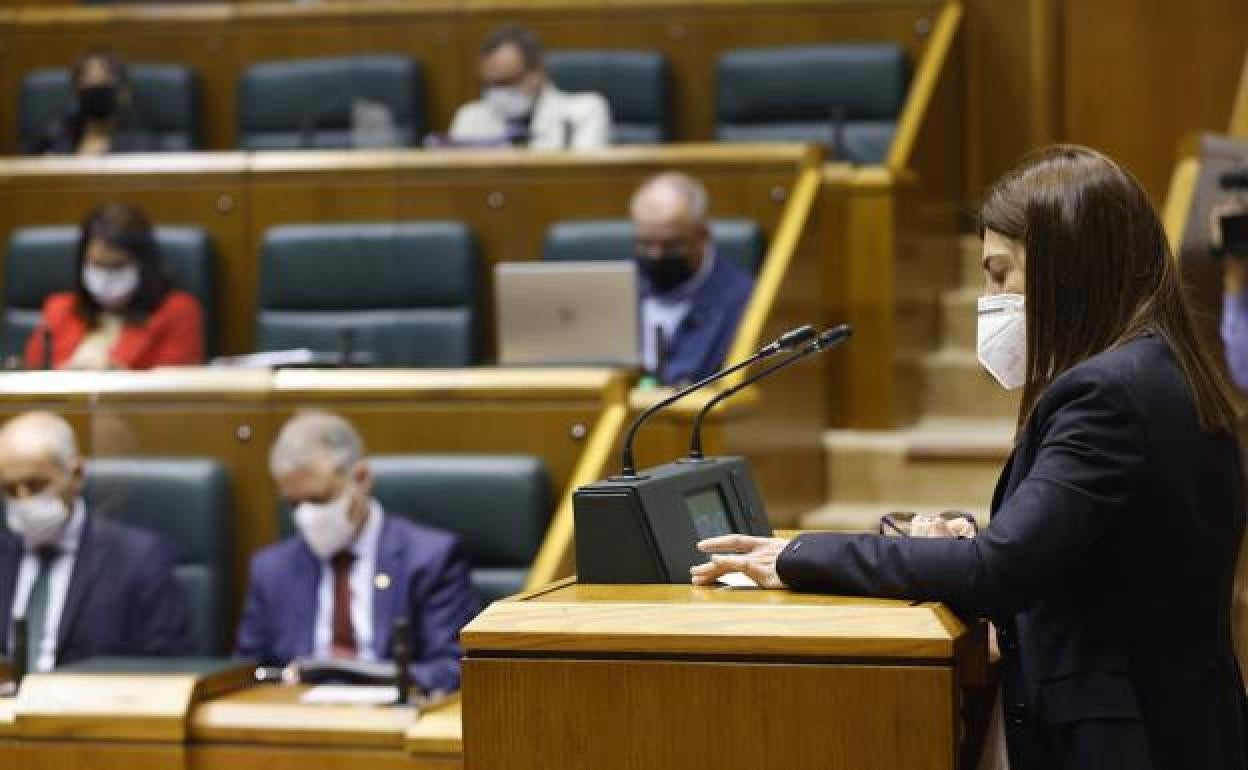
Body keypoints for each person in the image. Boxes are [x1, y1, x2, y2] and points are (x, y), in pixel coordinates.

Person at [692, 146, 1248, 770]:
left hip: (1126, 743)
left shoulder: (1107, 393)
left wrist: (798, 555)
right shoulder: (1158, 367)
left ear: (1068, 269)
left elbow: (999, 571)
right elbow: (1091, 554)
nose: (990, 298)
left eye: (1001, 273)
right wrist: (967, 539)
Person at [235, 412, 479, 692]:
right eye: (294, 505)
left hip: (392, 723)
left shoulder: (430, 559)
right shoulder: (271, 569)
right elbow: (245, 674)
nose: (306, 516)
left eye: (318, 499)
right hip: (296, 721)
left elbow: (452, 668)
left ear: (361, 478)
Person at [0, 412, 190, 671]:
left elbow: (167, 671)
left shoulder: (139, 560)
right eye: (10, 490)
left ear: (76, 474)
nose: (24, 501)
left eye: (36, 485)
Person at [25, 202, 204, 371]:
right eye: (97, 265)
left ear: (144, 265)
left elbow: (176, 389)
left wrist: (115, 377)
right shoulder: (58, 309)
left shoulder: (178, 311)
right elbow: (29, 378)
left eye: (117, 266)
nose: (106, 279)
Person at [632, 172, 754, 385]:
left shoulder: (743, 299)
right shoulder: (621, 287)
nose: (656, 255)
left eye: (671, 244)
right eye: (646, 243)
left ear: (703, 234)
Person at [448, 25, 610, 150]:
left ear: (537, 73)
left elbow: (584, 177)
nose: (498, 92)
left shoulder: (584, 111)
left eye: (507, 81)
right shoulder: (469, 117)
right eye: (490, 84)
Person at [24, 50, 158, 156]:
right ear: (76, 92)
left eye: (104, 82)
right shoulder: (55, 136)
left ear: (124, 93)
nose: (96, 90)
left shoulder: (141, 146)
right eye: (89, 83)